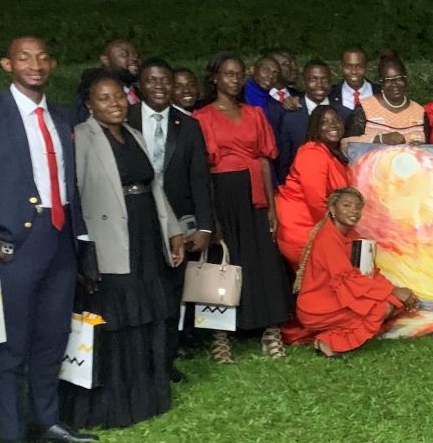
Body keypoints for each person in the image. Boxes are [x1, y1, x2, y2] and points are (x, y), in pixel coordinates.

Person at [0, 36, 95, 443]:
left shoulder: (62, 116)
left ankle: (46, 421)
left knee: (53, 335)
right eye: (24, 58)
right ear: (7, 64)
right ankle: (12, 438)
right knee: (13, 345)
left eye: (43, 57)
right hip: (13, 245)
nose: (35, 65)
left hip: (60, 238)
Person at [67, 71, 185, 430]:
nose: (115, 104)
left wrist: (173, 230)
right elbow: (75, 196)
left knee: (149, 311)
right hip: (110, 239)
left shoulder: (134, 134)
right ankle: (115, 404)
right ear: (89, 104)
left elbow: (155, 186)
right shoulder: (81, 138)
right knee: (119, 317)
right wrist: (83, 249)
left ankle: (148, 395)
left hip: (146, 233)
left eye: (119, 96)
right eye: (104, 98)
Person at [193, 52, 291, 364]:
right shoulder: (202, 117)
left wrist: (272, 207)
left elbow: (263, 161)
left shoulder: (254, 114)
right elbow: (201, 171)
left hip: (254, 193)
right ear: (215, 78)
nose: (235, 79)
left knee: (264, 261)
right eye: (228, 73)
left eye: (239, 74)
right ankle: (220, 337)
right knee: (223, 260)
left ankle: (270, 330)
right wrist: (209, 214)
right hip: (222, 193)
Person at [129, 59, 215, 380]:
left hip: (178, 221)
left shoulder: (188, 125)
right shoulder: (124, 118)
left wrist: (205, 225)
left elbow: (199, 178)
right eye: (152, 80)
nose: (160, 86)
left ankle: (165, 361)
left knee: (171, 291)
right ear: (140, 86)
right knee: (138, 289)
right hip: (135, 219)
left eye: (165, 80)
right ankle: (138, 359)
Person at [285, 188, 419, 357]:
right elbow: (348, 279)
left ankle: (326, 339)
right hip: (319, 305)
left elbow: (369, 273)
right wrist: (392, 291)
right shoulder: (327, 238)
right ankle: (330, 343)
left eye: (357, 207)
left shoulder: (353, 235)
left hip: (338, 298)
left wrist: (394, 291)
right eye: (347, 205)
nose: (353, 210)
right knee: (381, 307)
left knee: (393, 302)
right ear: (332, 209)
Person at [275, 106, 352, 266]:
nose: (333, 125)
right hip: (304, 230)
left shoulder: (331, 153)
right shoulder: (313, 153)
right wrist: (337, 236)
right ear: (316, 127)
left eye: (336, 120)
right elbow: (316, 202)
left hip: (323, 228)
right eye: (324, 122)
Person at [276, 60, 352, 184]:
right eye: (313, 80)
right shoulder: (290, 116)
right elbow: (284, 160)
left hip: (338, 184)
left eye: (324, 79)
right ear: (303, 82)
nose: (319, 85)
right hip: (300, 185)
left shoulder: (345, 114)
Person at [344, 56, 426, 147]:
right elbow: (346, 144)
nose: (394, 84)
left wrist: (422, 147)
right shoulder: (365, 107)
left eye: (399, 78)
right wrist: (379, 139)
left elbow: (430, 147)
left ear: (405, 80)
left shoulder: (419, 111)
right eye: (388, 80)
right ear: (381, 83)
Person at [70, 38, 141, 123]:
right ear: (105, 60)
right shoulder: (93, 88)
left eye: (136, 56)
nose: (134, 59)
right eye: (124, 55)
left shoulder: (138, 91)